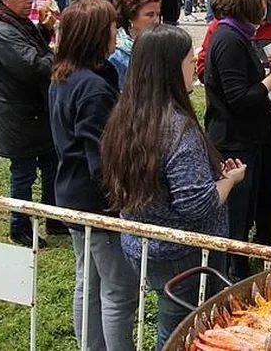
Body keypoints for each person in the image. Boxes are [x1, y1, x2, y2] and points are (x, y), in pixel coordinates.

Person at [102, 24, 245, 349]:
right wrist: (229, 181)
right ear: (169, 68)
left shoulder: (127, 115)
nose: (196, 63)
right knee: (182, 329)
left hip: (144, 245)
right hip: (184, 253)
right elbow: (198, 205)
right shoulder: (177, 129)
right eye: (189, 59)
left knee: (173, 322)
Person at [49, 0, 138, 350]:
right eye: (112, 28)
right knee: (118, 289)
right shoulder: (93, 89)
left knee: (88, 279)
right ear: (96, 36)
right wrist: (119, 201)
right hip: (95, 201)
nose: (117, 32)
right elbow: (100, 157)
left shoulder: (65, 75)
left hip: (70, 191)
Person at [203, 0, 271, 281]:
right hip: (236, 141)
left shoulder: (240, 34)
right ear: (249, 0)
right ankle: (234, 272)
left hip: (254, 137)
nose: (269, 5)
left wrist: (264, 68)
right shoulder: (228, 37)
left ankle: (258, 254)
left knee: (264, 200)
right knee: (237, 215)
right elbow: (237, 98)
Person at [0, 0, 60, 246]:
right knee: (23, 176)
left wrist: (44, 30)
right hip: (19, 117)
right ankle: (20, 227)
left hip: (37, 114)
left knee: (52, 167)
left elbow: (36, 51)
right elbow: (33, 66)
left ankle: (55, 218)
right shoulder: (4, 32)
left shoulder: (19, 22)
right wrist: (62, 56)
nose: (30, 0)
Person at [109, 0, 162, 87]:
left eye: (158, 14)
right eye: (150, 15)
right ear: (131, 16)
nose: (157, 20)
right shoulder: (117, 55)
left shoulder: (160, 46)